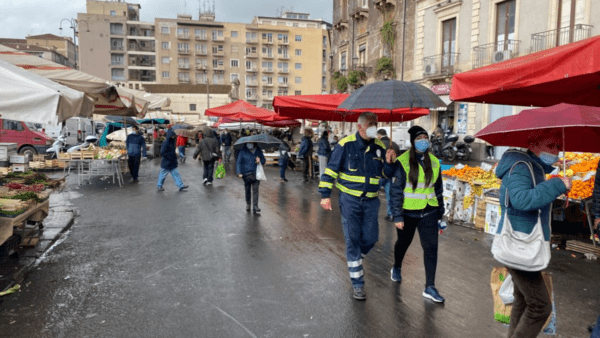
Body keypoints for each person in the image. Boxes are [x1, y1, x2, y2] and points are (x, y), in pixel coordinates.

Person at [494, 131, 571, 338]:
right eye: (552, 145)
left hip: (523, 244)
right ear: (535, 145)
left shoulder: (534, 168)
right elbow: (521, 200)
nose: (557, 151)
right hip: (519, 245)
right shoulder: (521, 167)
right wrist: (556, 185)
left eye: (558, 146)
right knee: (540, 307)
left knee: (522, 299)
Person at [319, 112, 397, 300]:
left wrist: (389, 163)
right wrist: (325, 195)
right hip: (350, 200)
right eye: (371, 123)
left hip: (371, 201)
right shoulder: (345, 145)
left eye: (376, 123)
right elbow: (330, 170)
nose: (374, 126)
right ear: (360, 126)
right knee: (353, 239)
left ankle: (355, 259)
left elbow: (385, 176)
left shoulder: (380, 147)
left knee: (370, 238)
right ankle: (358, 284)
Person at [389, 126, 446, 303]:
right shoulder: (403, 161)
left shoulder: (434, 162)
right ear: (413, 141)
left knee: (431, 247)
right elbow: (396, 190)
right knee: (403, 243)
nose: (423, 140)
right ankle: (397, 267)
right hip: (408, 212)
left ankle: (430, 286)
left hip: (428, 211)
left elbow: (438, 189)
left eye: (425, 137)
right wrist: (397, 216)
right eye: (419, 138)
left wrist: (440, 213)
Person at [377, 128, 401, 222]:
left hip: (379, 174)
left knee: (372, 194)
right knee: (390, 195)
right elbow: (398, 159)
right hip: (391, 174)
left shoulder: (378, 144)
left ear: (379, 136)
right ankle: (391, 214)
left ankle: (369, 213)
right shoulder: (394, 144)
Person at [236, 142, 266, 213]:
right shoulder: (243, 151)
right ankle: (248, 204)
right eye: (248, 143)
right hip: (246, 174)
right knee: (247, 189)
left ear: (254, 143)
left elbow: (263, 160)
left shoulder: (258, 150)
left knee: (255, 190)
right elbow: (238, 162)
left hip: (256, 173)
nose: (249, 144)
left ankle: (255, 206)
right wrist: (239, 172)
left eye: (251, 143)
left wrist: (260, 161)